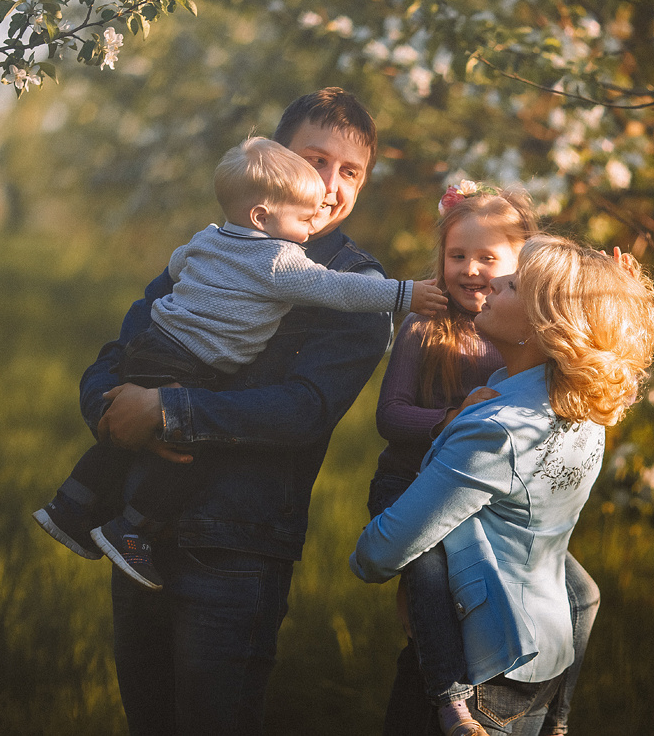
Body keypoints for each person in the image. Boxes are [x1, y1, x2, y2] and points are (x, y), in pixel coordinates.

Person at [76, 88, 394, 735]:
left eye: (351, 171)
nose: (331, 184)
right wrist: (106, 407)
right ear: (279, 160)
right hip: (141, 527)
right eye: (317, 159)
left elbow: (303, 409)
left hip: (237, 545)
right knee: (149, 716)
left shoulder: (356, 288)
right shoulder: (219, 244)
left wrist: (168, 411)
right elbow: (127, 344)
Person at [34, 136, 445, 589]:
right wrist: (405, 293)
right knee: (185, 454)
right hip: (190, 363)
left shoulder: (206, 237)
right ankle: (132, 529)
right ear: (262, 216)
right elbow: (341, 289)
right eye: (303, 213)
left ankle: (70, 507)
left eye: (349, 171)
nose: (314, 217)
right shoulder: (278, 259)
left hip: (154, 345)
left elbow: (174, 268)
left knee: (133, 433)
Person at [352, 236, 654, 736]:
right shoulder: (583, 410)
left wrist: (374, 547)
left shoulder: (497, 427)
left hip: (480, 661)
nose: (493, 281)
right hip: (547, 654)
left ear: (543, 327)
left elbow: (381, 553)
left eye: (515, 285)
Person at [367, 184, 600, 736]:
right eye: (457, 256)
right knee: (426, 571)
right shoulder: (426, 326)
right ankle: (449, 697)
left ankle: (560, 714)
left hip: (486, 502)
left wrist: (609, 287)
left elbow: (591, 347)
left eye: (489, 260)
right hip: (411, 482)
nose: (472, 271)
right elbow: (390, 417)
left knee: (583, 593)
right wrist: (449, 420)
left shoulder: (521, 333)